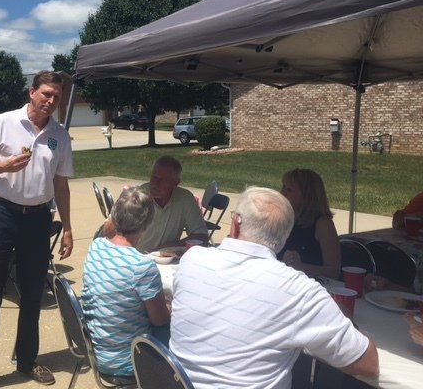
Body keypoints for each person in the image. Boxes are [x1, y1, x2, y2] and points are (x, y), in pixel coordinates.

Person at [170, 186, 379, 389]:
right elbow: (368, 364)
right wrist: (343, 313)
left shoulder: (192, 259)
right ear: (285, 236)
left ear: (234, 224)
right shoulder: (299, 291)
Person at [0, 71, 74, 389]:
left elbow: (61, 183)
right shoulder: (4, 122)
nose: (51, 101)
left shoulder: (60, 135)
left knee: (32, 294)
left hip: (39, 219)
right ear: (32, 93)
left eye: (56, 96)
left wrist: (67, 227)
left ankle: (27, 360)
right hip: (2, 214)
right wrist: (2, 166)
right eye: (46, 94)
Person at [81, 186, 170, 379]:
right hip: (129, 361)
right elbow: (160, 320)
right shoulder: (142, 266)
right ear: (147, 224)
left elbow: (108, 229)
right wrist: (172, 306)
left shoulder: (96, 245)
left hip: (94, 350)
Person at [135, 156, 207, 253]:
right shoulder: (139, 196)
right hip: (136, 258)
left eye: (163, 180)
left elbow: (201, 236)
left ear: (175, 183)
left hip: (167, 260)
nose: (156, 183)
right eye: (154, 177)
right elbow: (119, 234)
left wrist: (169, 246)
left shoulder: (185, 199)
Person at [278, 168, 341, 279]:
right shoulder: (283, 218)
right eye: (283, 187)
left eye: (289, 189)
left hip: (310, 287)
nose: (282, 193)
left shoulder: (323, 224)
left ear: (307, 195)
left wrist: (301, 267)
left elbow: (334, 271)